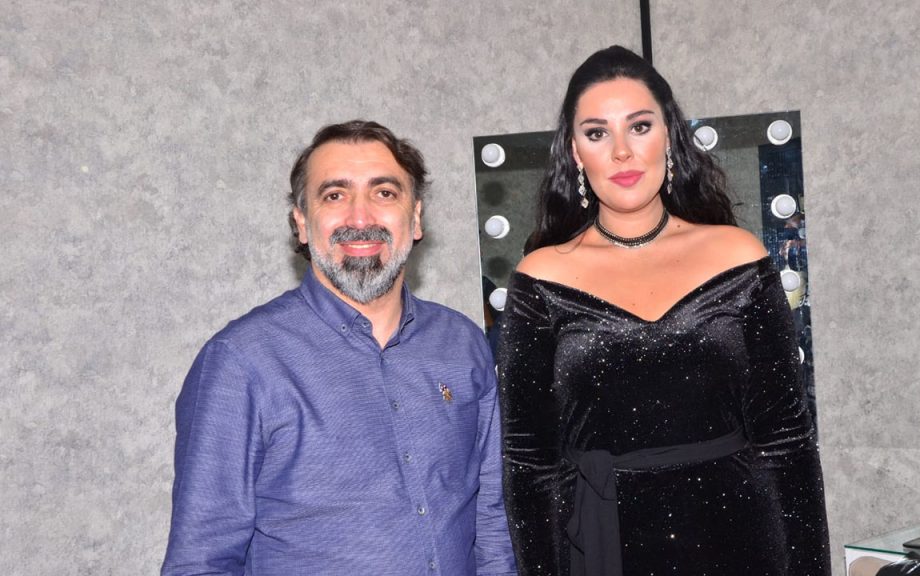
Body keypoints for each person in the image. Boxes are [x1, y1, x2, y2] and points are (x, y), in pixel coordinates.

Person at [497, 46, 830, 575]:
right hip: (603, 549)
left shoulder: (738, 256)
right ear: (576, 152)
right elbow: (530, 465)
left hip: (743, 544)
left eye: (639, 126)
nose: (622, 152)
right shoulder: (542, 278)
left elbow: (787, 444)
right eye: (597, 133)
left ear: (669, 135)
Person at [162, 121, 517, 575]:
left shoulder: (462, 344)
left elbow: (492, 524)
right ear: (302, 223)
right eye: (334, 195)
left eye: (384, 193)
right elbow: (201, 561)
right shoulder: (241, 363)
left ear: (415, 218)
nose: (360, 217)